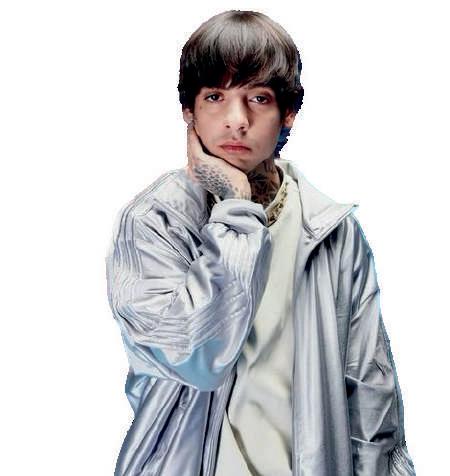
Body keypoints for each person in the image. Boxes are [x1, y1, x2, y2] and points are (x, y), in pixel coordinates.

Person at [105, 10, 416, 476]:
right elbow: (197, 355)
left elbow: (371, 397)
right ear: (189, 111)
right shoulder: (156, 221)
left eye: (258, 98)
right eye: (215, 97)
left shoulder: (329, 229)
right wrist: (236, 208)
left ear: (287, 113)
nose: (237, 121)